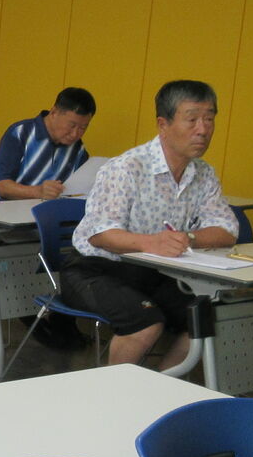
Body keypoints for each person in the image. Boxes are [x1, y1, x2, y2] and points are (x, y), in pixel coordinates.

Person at [59, 80, 237, 369]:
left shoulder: (203, 173)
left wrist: (188, 238)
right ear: (163, 124)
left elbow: (226, 230)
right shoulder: (126, 168)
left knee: (205, 317)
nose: (203, 130)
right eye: (192, 119)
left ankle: (164, 385)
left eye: (209, 119)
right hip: (95, 270)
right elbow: (101, 235)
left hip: (153, 272)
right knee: (145, 322)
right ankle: (116, 391)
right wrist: (152, 242)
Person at [0, 87, 96, 201]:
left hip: (51, 209)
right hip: (9, 208)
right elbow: (2, 187)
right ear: (54, 113)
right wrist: (38, 192)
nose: (75, 134)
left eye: (83, 128)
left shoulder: (78, 149)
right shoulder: (20, 133)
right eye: (72, 125)